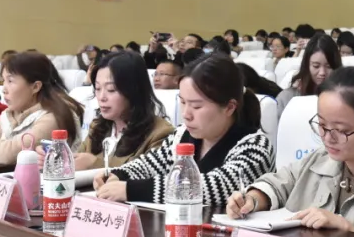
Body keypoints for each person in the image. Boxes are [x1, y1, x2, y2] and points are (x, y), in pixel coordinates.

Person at [228, 68, 354, 234]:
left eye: (342, 130)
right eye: (322, 125)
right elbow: (280, 182)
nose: (327, 138)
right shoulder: (320, 159)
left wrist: (349, 232)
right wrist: (252, 200)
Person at [95, 55, 274, 206]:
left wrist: (131, 190)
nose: (186, 114)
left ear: (229, 107)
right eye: (182, 102)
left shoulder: (255, 146)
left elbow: (215, 186)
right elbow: (151, 164)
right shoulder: (182, 135)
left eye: (196, 106)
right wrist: (118, 174)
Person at [74, 52, 173, 172]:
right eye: (98, 88)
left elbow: (144, 178)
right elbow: (75, 163)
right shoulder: (97, 127)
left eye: (111, 89)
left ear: (134, 91)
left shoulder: (159, 134)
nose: (101, 97)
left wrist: (95, 165)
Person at [277, 34, 342, 115]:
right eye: (316, 66)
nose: (322, 72)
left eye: (329, 67)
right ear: (307, 65)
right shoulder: (288, 97)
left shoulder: (345, 97)